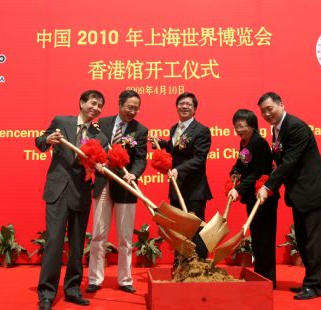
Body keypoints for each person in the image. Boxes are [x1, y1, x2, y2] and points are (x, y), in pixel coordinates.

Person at [256, 92, 321, 300]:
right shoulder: (277, 129)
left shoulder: (296, 127)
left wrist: (268, 186)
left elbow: (289, 162)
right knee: (303, 239)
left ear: (281, 104)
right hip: (299, 194)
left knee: (313, 241)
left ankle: (313, 286)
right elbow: (280, 160)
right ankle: (318, 281)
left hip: (312, 192)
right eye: (263, 111)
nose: (266, 114)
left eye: (269, 109)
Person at [36, 90, 108, 310]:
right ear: (81, 102)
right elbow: (40, 142)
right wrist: (47, 139)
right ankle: (47, 293)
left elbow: (101, 169)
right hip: (58, 191)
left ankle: (73, 289)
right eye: (93, 103)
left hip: (81, 192)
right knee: (54, 243)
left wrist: (100, 167)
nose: (95, 109)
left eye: (99, 106)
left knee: (77, 246)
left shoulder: (100, 137)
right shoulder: (61, 121)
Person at [86, 90, 148, 294]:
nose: (133, 111)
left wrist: (134, 174)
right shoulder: (101, 123)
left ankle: (125, 279)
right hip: (103, 183)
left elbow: (140, 158)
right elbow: (92, 148)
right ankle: (94, 278)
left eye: (136, 108)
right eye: (130, 107)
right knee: (98, 234)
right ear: (120, 104)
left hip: (125, 186)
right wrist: (96, 163)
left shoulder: (140, 130)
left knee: (125, 237)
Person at [151, 92, 212, 261]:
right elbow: (175, 151)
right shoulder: (174, 128)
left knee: (195, 228)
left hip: (194, 189)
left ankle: (199, 266)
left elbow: (199, 158)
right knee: (178, 228)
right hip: (176, 187)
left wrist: (179, 169)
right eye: (181, 104)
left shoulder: (201, 130)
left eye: (189, 105)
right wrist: (162, 143)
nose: (184, 107)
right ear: (177, 106)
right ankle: (181, 265)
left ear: (194, 109)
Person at [227, 109, 278, 288]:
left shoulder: (259, 143)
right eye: (237, 126)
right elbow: (241, 163)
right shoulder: (245, 142)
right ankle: (260, 276)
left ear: (253, 126)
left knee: (265, 238)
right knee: (256, 237)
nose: (239, 129)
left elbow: (257, 172)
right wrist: (234, 172)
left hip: (263, 197)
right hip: (252, 196)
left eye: (243, 126)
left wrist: (239, 189)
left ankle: (269, 280)